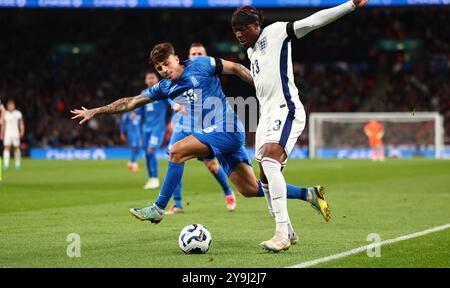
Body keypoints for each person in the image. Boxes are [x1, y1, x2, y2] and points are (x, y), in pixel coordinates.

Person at [71, 42, 327, 251]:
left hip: (227, 127)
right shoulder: (165, 87)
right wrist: (97, 110)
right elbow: (131, 102)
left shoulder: (202, 65)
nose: (164, 70)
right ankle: (309, 194)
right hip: (218, 137)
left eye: (166, 64)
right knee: (250, 189)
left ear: (177, 58)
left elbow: (236, 67)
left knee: (176, 150)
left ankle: (158, 208)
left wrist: (262, 89)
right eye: (159, 68)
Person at [230, 0, 376, 250]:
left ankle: (281, 235)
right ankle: (291, 231)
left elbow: (312, 21)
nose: (239, 34)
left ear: (256, 24)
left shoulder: (275, 32)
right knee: (264, 178)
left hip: (286, 110)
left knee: (271, 164)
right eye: (235, 31)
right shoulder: (252, 54)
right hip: (266, 116)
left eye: (243, 28)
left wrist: (352, 4)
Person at [167, 42, 236, 214]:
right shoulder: (177, 75)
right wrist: (174, 104)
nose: (197, 57)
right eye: (194, 54)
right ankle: (177, 204)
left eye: (200, 54)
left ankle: (228, 192)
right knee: (174, 156)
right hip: (183, 125)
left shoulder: (206, 75)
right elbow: (168, 92)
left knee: (212, 166)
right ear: (188, 57)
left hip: (203, 126)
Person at [139, 71, 175, 190]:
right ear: (145, 81)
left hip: (158, 128)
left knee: (151, 151)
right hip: (146, 129)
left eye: (152, 77)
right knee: (147, 154)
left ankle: (155, 178)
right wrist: (135, 114)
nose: (150, 80)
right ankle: (151, 178)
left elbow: (173, 104)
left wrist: (171, 121)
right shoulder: (143, 94)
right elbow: (139, 110)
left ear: (156, 79)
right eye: (148, 78)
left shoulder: (162, 92)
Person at [2, 100, 25, 170]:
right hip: (7, 133)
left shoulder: (18, 113)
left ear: (14, 106)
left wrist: (22, 131)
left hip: (15, 133)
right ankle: (6, 164)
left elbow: (21, 123)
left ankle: (17, 164)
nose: (10, 107)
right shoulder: (5, 114)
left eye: (11, 105)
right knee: (6, 148)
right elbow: (3, 125)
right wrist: (2, 133)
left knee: (16, 148)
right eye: (9, 105)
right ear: (7, 106)